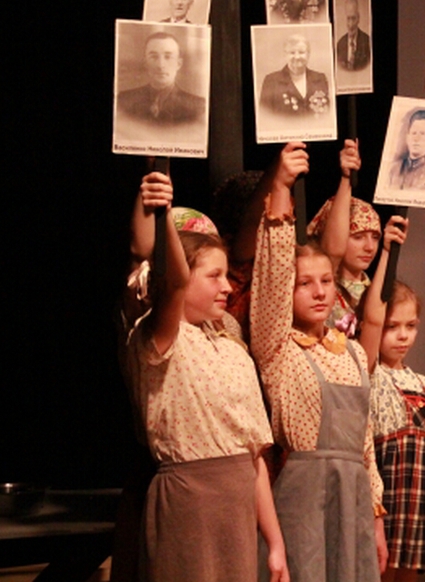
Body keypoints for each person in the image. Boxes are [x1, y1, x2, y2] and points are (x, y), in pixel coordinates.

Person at [123, 171, 288, 582]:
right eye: (213, 276)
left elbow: (252, 457)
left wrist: (275, 543)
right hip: (189, 503)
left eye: (227, 275)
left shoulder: (231, 346)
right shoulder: (161, 337)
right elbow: (172, 281)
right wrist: (162, 211)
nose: (227, 287)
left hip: (236, 508)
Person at [250, 141, 388, 581]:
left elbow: (365, 443)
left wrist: (376, 517)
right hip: (303, 497)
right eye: (304, 283)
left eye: (326, 281)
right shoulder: (278, 347)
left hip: (353, 497)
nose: (319, 292)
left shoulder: (353, 352)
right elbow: (271, 276)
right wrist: (281, 188)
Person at [360, 246, 425, 580]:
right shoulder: (369, 373)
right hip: (385, 503)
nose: (403, 335)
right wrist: (388, 251)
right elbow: (372, 319)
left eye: (411, 325)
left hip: (422, 508)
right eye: (392, 327)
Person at [309, 139, 381, 336]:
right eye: (358, 237)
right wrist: (346, 179)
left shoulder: (376, 291)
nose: (369, 247)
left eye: (375, 237)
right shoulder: (324, 288)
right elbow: (333, 250)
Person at [116, 32, 205, 126]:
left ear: (178, 64)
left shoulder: (198, 106)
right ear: (145, 63)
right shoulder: (124, 100)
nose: (160, 65)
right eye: (153, 57)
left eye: (168, 57)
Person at [258, 34, 330, 117]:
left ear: (308, 54)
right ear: (285, 55)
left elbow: (327, 113)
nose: (297, 57)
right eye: (292, 53)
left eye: (301, 52)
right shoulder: (271, 81)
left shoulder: (320, 79)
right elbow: (264, 117)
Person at [389, 109, 425, 192]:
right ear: (407, 137)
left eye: (422, 133)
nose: (416, 139)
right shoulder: (394, 169)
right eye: (414, 133)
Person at [337, 0, 371, 71]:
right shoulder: (340, 44)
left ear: (358, 18)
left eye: (353, 18)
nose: (351, 24)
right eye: (348, 18)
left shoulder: (368, 42)